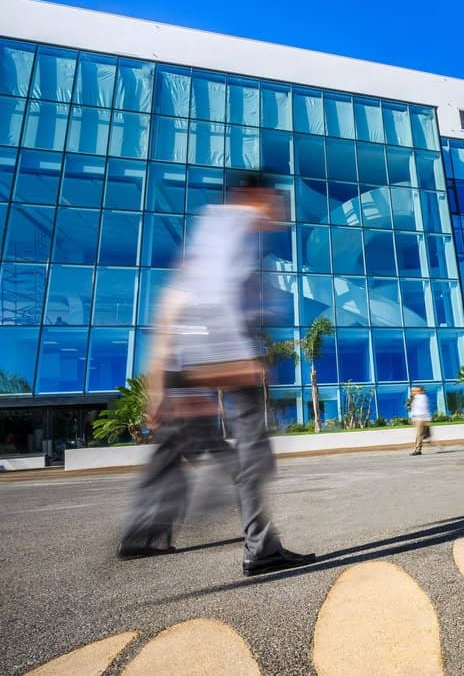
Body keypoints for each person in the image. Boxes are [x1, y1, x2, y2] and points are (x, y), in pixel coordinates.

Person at [118, 173, 316, 577]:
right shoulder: (235, 226)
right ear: (255, 196)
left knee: (180, 451)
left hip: (190, 358)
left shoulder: (212, 227)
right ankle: (260, 548)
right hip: (223, 354)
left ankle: (145, 534)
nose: (279, 210)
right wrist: (233, 362)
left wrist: (162, 380)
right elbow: (215, 296)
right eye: (275, 201)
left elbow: (173, 303)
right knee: (251, 456)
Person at [409, 386, 432, 455]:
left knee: (419, 435)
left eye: (414, 390)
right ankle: (418, 448)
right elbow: (414, 409)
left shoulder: (422, 397)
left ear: (419, 391)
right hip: (418, 418)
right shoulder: (416, 398)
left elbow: (423, 409)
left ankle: (418, 449)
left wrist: (426, 420)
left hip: (421, 418)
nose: (412, 392)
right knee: (419, 435)